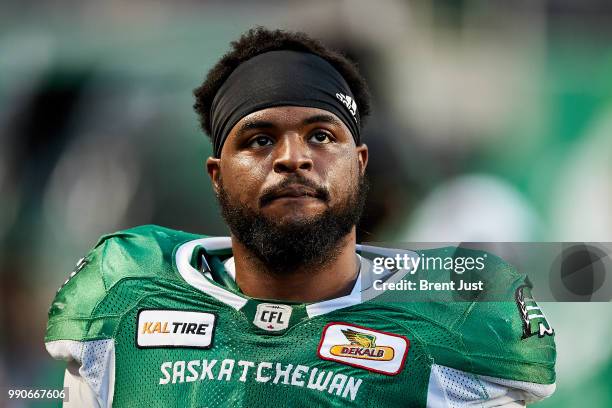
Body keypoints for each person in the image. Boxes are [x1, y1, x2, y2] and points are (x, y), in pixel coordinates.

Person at [44, 27, 556, 407]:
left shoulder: (457, 319)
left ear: (360, 165)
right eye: (260, 139)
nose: (293, 157)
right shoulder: (125, 288)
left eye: (321, 135)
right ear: (216, 175)